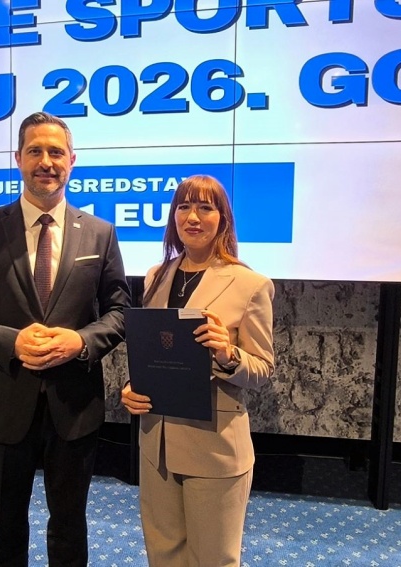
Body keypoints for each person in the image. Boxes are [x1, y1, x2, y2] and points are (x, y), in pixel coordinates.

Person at [0, 111, 130, 567]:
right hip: (2, 404)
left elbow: (121, 312)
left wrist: (80, 342)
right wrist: (11, 342)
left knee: (69, 525)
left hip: (74, 406)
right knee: (5, 526)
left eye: (56, 152)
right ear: (18, 159)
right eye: (35, 151)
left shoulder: (100, 233)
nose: (46, 161)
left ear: (72, 161)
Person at [121, 175, 275, 567]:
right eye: (184, 207)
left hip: (213, 446)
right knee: (164, 555)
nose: (193, 217)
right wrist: (133, 385)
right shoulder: (156, 276)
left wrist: (227, 354)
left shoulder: (250, 284)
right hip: (156, 442)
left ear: (223, 219)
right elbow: (156, 351)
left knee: (212, 559)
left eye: (205, 207)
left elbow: (262, 369)